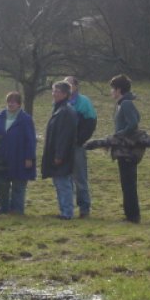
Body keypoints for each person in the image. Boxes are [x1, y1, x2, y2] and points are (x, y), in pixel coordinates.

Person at [0, 91, 37, 215]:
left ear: (19, 104)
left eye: (14, 102)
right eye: (9, 101)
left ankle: (17, 210)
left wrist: (29, 157)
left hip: (19, 157)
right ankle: (3, 208)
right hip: (0, 156)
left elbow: (30, 140)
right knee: (1, 184)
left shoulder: (26, 119)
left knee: (18, 185)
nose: (11, 104)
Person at [108, 74, 142, 223]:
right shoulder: (124, 103)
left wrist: (118, 135)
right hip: (123, 147)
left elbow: (133, 123)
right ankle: (131, 214)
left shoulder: (126, 103)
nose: (111, 92)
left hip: (126, 148)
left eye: (112, 89)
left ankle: (132, 216)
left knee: (128, 183)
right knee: (127, 182)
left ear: (118, 89)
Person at [41, 81, 78, 220]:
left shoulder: (65, 111)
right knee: (60, 182)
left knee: (63, 183)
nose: (53, 94)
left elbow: (64, 136)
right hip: (59, 153)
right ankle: (64, 210)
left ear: (64, 94)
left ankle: (67, 212)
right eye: (53, 91)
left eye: (56, 91)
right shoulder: (60, 109)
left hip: (62, 155)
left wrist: (59, 155)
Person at [63, 76, 97, 218]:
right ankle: (67, 208)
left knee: (80, 177)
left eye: (70, 84)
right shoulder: (61, 102)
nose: (68, 86)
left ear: (76, 86)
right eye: (65, 84)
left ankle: (84, 208)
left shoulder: (84, 102)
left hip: (77, 145)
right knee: (65, 177)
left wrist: (79, 140)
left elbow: (91, 122)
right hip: (64, 146)